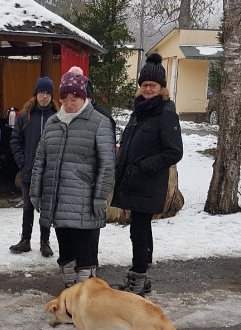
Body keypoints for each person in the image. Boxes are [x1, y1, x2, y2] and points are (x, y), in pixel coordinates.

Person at [30, 68, 115, 288]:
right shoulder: (53, 123)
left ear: (84, 97)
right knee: (66, 254)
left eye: (75, 98)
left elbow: (107, 164)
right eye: (65, 98)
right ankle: (70, 293)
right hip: (57, 200)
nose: (70, 103)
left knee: (85, 255)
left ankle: (86, 299)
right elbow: (40, 161)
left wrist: (99, 197)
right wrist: (35, 192)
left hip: (84, 201)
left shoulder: (99, 122)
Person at [111, 52, 183, 295]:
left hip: (147, 182)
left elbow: (174, 152)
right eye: (144, 85)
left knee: (139, 232)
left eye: (152, 85)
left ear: (161, 87)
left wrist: (144, 165)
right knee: (139, 230)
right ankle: (140, 274)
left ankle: (139, 279)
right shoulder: (140, 110)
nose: (147, 89)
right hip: (133, 182)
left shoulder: (165, 112)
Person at [9, 75, 58, 257]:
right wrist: (23, 162)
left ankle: (45, 241)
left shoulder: (57, 117)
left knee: (45, 207)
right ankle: (25, 239)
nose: (44, 97)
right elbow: (15, 141)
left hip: (48, 172)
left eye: (47, 93)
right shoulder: (25, 116)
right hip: (29, 170)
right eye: (41, 92)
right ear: (35, 94)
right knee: (28, 206)